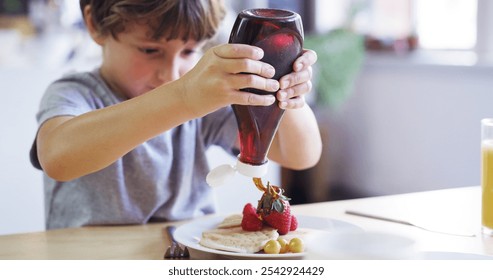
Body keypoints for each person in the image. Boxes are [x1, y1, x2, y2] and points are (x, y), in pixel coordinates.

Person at [30, 0, 322, 230]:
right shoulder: (74, 92)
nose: (170, 74)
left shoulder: (201, 100)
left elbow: (299, 155)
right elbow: (57, 158)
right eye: (149, 50)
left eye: (188, 52)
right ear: (94, 24)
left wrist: (286, 93)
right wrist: (183, 97)